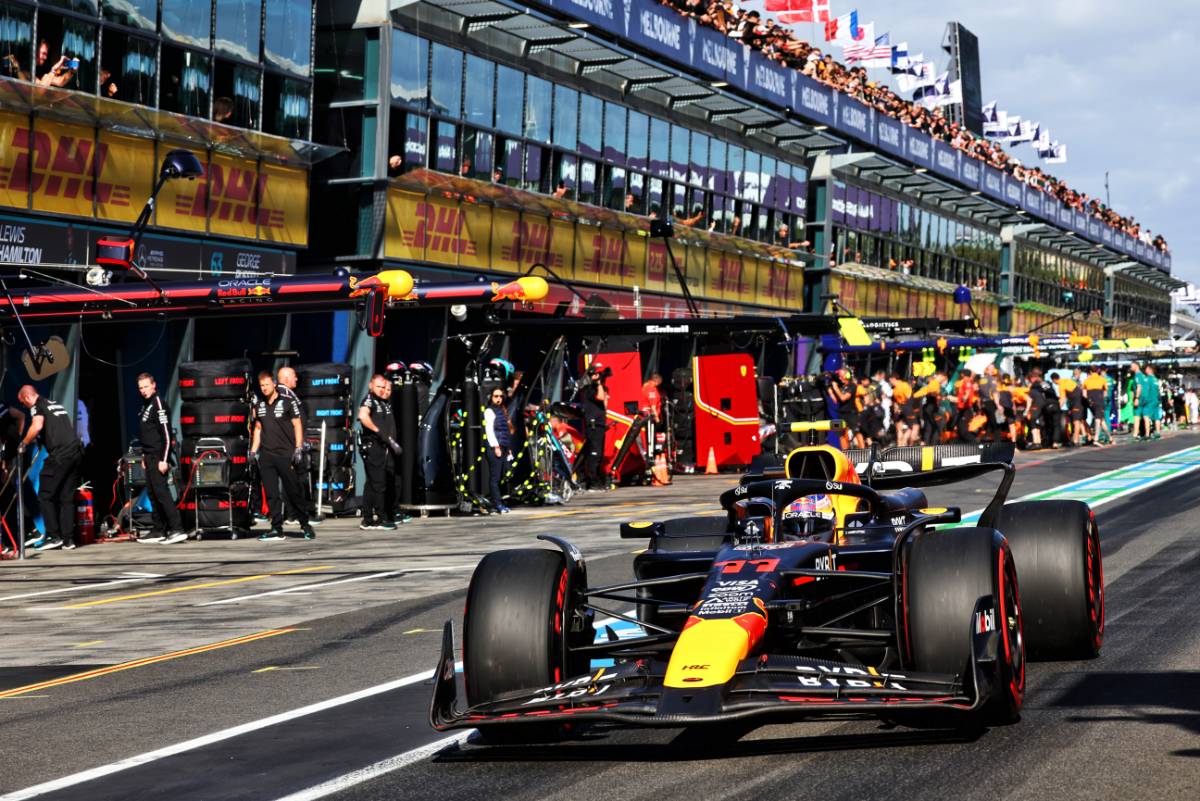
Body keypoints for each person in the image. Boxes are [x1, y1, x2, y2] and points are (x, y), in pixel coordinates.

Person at [17, 385, 83, 551]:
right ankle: (69, 540)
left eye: (23, 403)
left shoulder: (37, 406)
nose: (24, 407)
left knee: (45, 495)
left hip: (60, 455)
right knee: (66, 498)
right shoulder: (55, 404)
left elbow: (37, 426)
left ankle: (54, 536)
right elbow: (59, 428)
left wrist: (24, 443)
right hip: (75, 452)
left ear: (26, 398)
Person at [250, 372, 315, 541]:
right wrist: (252, 451)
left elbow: (297, 425)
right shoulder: (259, 406)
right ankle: (276, 529)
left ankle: (305, 525)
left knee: (294, 492)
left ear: (274, 384)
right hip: (266, 456)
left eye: (267, 384)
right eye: (262, 385)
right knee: (272, 494)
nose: (264, 388)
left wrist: (298, 448)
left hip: (286, 455)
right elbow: (258, 429)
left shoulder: (288, 402)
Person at [136, 374, 186, 544]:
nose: (144, 390)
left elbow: (166, 434)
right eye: (141, 388)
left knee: (162, 493)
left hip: (158, 456)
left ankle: (176, 528)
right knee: (152, 494)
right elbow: (147, 433)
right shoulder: (146, 405)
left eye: (146, 386)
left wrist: (163, 459)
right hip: (149, 456)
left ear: (154, 385)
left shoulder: (158, 404)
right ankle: (159, 530)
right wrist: (144, 455)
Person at [358, 374, 402, 529]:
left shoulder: (383, 402)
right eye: (379, 387)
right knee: (378, 483)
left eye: (384, 387)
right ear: (371, 386)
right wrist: (379, 431)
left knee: (372, 483)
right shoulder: (369, 400)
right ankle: (381, 518)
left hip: (384, 447)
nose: (382, 390)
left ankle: (368, 519)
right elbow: (363, 416)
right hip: (373, 446)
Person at [276, 366, 317, 522]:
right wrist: (296, 443)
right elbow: (286, 421)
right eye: (294, 376)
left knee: (297, 479)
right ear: (286, 378)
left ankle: (296, 514)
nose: (297, 379)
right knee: (294, 480)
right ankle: (295, 515)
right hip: (290, 446)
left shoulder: (288, 394)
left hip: (295, 443)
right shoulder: (283, 394)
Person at [578, 362, 609, 491]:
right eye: (595, 374)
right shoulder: (588, 390)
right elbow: (601, 397)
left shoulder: (599, 388)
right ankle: (591, 482)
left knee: (599, 454)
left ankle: (595, 479)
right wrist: (599, 384)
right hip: (593, 425)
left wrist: (602, 386)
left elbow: (605, 405)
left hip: (600, 424)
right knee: (594, 454)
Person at [483, 386, 513, 514]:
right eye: (496, 396)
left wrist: (508, 448)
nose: (499, 399)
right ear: (491, 397)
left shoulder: (502, 410)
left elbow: (506, 431)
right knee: (495, 477)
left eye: (501, 396)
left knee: (501, 476)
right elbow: (489, 431)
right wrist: (496, 446)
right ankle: (497, 504)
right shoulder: (489, 411)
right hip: (495, 447)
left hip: (503, 446)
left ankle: (499, 502)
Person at [1083, 365, 1110, 446]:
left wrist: (1089, 400)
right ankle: (1096, 438)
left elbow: (1084, 394)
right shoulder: (1102, 379)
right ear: (1098, 371)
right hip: (1099, 399)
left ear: (1090, 372)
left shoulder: (1086, 380)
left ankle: (1110, 437)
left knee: (1101, 420)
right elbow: (1106, 392)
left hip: (1091, 401)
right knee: (1098, 420)